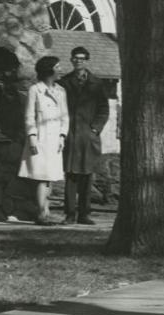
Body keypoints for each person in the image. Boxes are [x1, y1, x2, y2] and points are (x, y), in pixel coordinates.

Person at [59, 46, 108, 225]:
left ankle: (84, 214)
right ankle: (70, 214)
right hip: (71, 135)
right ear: (71, 60)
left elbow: (104, 109)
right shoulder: (63, 83)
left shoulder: (97, 83)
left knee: (87, 176)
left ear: (87, 61)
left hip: (88, 137)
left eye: (82, 58)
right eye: (75, 58)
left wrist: (95, 129)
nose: (78, 61)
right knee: (71, 176)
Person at [20, 55, 69, 225]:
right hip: (40, 138)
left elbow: (65, 116)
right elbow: (29, 116)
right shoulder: (35, 90)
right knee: (41, 177)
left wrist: (62, 135)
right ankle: (42, 214)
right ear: (49, 70)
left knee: (50, 177)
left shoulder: (61, 91)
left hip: (55, 141)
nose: (61, 70)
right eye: (58, 67)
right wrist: (32, 137)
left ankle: (46, 212)